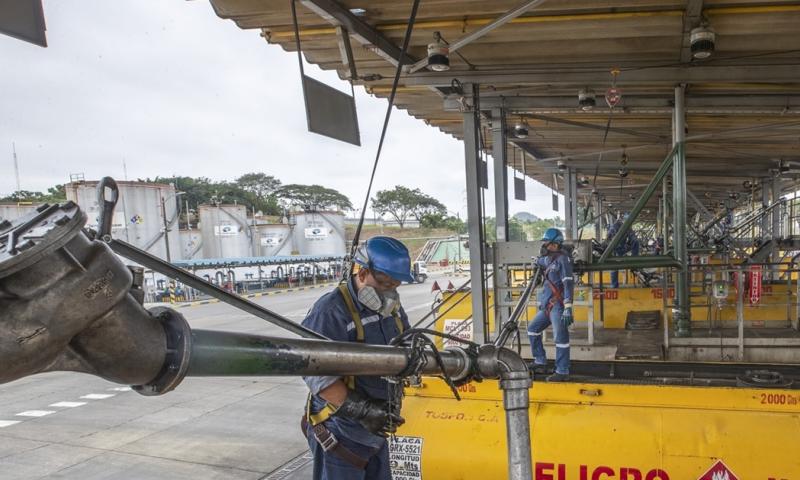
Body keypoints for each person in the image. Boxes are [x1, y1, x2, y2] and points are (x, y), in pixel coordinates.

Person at [301, 236, 414, 480]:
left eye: (395, 285)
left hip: (376, 430)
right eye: (384, 284)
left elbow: (407, 341)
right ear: (362, 273)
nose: (389, 293)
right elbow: (316, 373)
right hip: (340, 434)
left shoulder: (391, 308)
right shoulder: (331, 311)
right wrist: (363, 411)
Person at [528, 228, 574, 382]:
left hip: (558, 306)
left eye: (546, 242)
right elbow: (540, 261)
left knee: (560, 338)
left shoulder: (563, 260)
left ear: (555, 244)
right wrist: (536, 261)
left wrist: (568, 307)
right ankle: (540, 361)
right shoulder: (548, 259)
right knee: (532, 330)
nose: (544, 245)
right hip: (546, 306)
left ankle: (562, 371)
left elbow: (568, 284)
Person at [606, 214, 640, 288]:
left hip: (617, 249)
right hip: (614, 250)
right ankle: (635, 263)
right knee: (614, 267)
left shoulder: (625, 227)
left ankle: (614, 286)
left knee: (614, 267)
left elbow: (634, 240)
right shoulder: (617, 227)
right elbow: (608, 238)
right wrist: (634, 258)